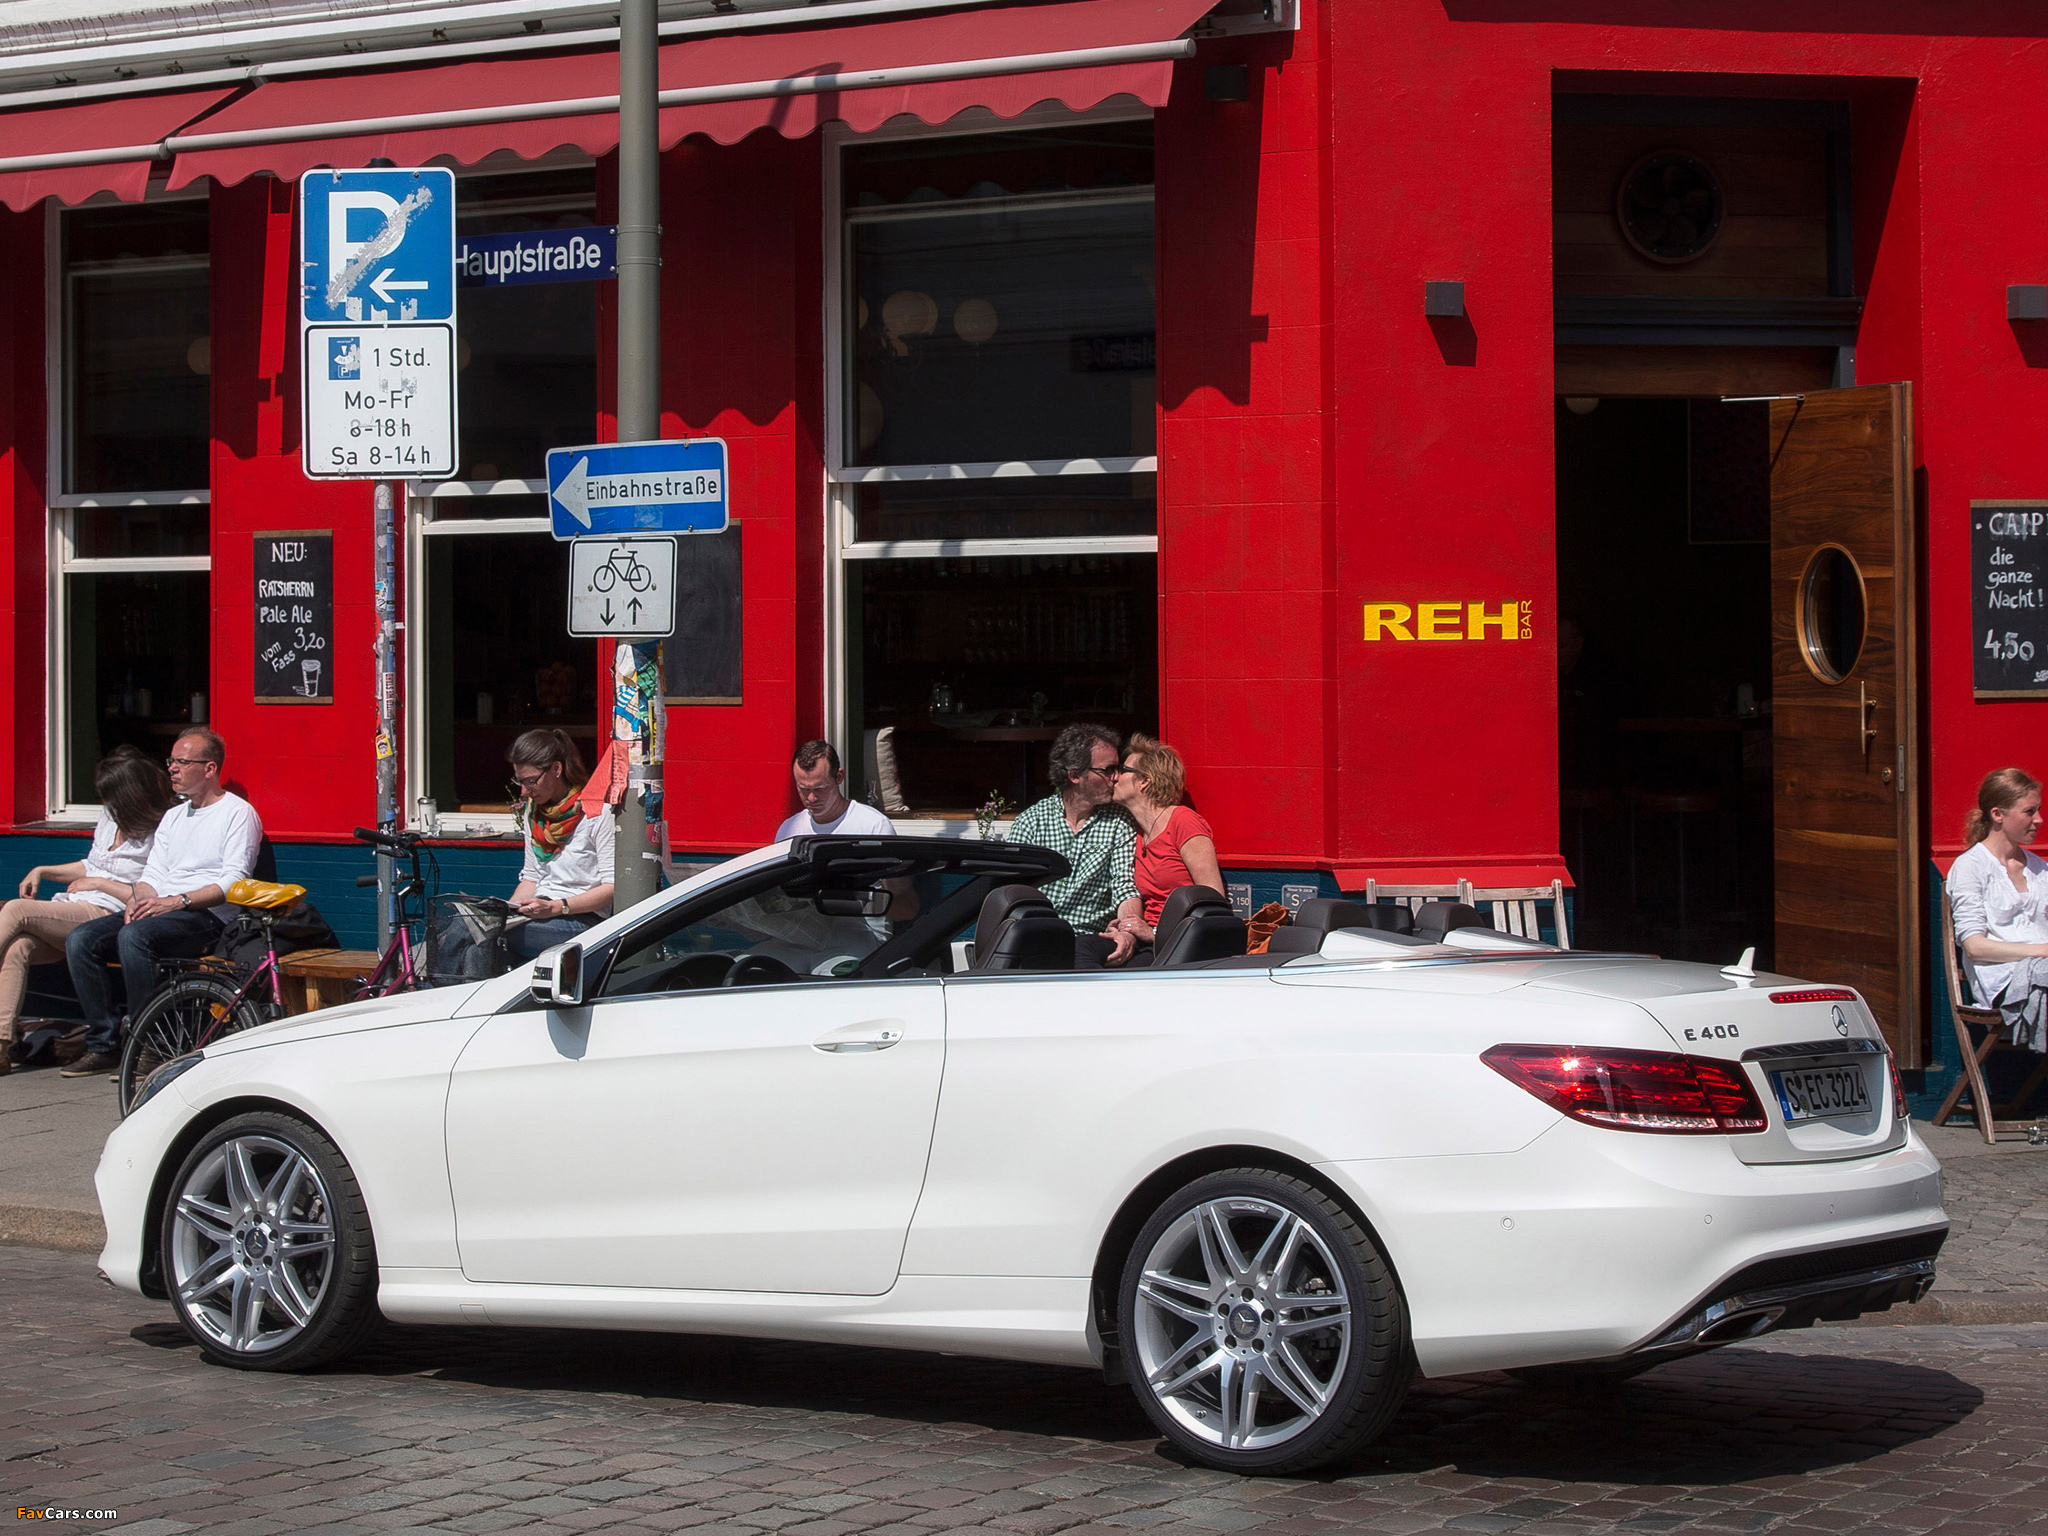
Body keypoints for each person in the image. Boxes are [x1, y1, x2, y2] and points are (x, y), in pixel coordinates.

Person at [62, 729, 262, 1077]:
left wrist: (177, 901)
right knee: (82, 939)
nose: (172, 768)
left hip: (209, 915)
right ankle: (104, 1044)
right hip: (164, 910)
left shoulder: (237, 813)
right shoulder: (173, 816)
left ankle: (151, 1046)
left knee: (134, 938)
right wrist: (139, 901)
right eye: (172, 761)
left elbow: (233, 882)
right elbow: (152, 873)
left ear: (209, 769)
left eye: (182, 762)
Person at [0, 748, 176, 1073]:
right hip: (72, 908)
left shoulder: (162, 829)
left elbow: (150, 893)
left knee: (15, 910)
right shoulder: (110, 817)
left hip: (107, 912)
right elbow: (90, 865)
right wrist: (42, 870)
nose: (105, 802)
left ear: (130, 794)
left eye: (111, 795)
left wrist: (99, 884)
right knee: (17, 948)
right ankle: (1, 1049)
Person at [437, 729, 615, 980]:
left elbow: (612, 888)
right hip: (541, 912)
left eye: (531, 781)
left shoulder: (596, 812)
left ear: (556, 768)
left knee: (476, 934)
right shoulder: (534, 812)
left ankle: (445, 996)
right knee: (473, 932)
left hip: (580, 919)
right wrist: (506, 912)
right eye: (519, 781)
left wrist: (557, 907)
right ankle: (464, 995)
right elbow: (532, 878)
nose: (524, 791)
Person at [1006, 723, 1142, 966]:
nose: (1116, 777)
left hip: (1092, 938)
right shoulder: (1032, 822)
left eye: (1118, 768)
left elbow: (1124, 886)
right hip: (1040, 935)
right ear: (1075, 775)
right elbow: (1014, 893)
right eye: (1108, 770)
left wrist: (1128, 932)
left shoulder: (1119, 820)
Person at [1949, 766, 2048, 1053]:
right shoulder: (1970, 867)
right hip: (2006, 982)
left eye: (2039, 810)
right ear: (1997, 814)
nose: (2039, 819)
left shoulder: (2040, 868)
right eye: (2029, 812)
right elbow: (1975, 947)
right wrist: (2042, 951)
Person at [1105, 733, 1225, 954]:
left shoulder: (1183, 821)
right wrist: (1125, 927)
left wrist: (1153, 933)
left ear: (1145, 781)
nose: (1114, 777)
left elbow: (1213, 899)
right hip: (1147, 942)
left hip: (1182, 945)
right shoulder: (1134, 831)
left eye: (1122, 770)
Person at [775, 740, 895, 839]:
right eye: (804, 789)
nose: (811, 798)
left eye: (820, 788)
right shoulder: (788, 830)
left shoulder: (874, 827)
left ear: (839, 777)